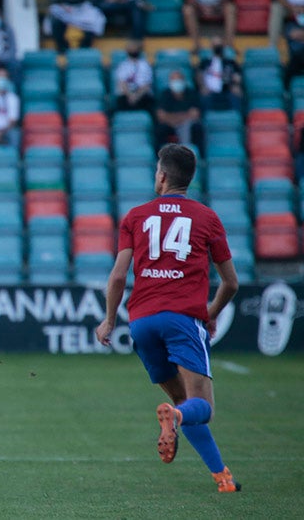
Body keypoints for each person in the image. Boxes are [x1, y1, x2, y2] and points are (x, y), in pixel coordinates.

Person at [95, 144, 241, 495]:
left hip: (142, 323)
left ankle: (222, 478)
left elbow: (117, 276)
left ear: (161, 175)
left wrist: (109, 320)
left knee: (184, 405)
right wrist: (210, 314)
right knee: (200, 407)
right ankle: (174, 420)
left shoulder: (135, 216)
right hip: (182, 319)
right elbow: (231, 282)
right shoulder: (207, 218)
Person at [155, 70, 205, 156]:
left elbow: (196, 114)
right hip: (170, 126)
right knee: (160, 129)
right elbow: (161, 115)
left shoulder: (191, 93)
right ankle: (162, 158)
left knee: (197, 128)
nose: (176, 83)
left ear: (184, 81)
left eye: (179, 80)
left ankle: (197, 157)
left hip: (188, 125)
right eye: (174, 80)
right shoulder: (165, 94)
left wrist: (174, 118)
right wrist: (183, 116)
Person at [196, 37, 243, 111]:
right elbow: (199, 76)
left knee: (237, 95)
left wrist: (236, 85)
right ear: (211, 46)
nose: (217, 47)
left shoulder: (231, 63)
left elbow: (237, 76)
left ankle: (239, 119)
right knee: (203, 97)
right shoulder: (204, 63)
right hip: (209, 91)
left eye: (219, 45)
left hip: (227, 90)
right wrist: (202, 86)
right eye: (215, 45)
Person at [114, 40, 155, 113]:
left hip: (142, 95)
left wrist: (136, 96)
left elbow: (147, 85)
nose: (133, 50)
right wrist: (130, 96)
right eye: (131, 48)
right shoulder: (123, 66)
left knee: (151, 105)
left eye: (135, 48)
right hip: (126, 95)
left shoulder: (145, 65)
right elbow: (122, 83)